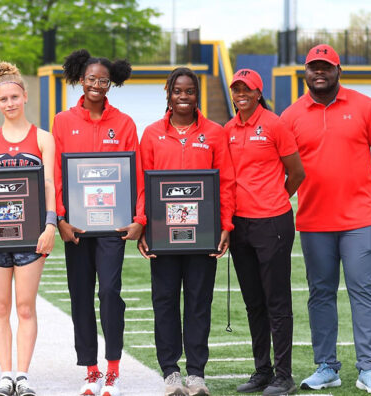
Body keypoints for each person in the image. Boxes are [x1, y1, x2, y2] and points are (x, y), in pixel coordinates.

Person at [280, 44, 371, 394]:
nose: (319, 72)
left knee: (363, 291)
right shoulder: (291, 115)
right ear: (305, 72)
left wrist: (364, 184)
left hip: (359, 219)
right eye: (313, 67)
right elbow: (282, 165)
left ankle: (369, 369)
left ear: (337, 70)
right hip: (314, 220)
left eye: (326, 67)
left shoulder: (364, 105)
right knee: (320, 294)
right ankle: (327, 366)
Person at [136, 67, 235, 396]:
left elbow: (226, 183)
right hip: (163, 235)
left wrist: (225, 225)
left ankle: (196, 372)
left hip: (202, 235)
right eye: (177, 90)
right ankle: (170, 373)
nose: (183, 96)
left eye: (189, 91)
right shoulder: (151, 134)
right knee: (164, 301)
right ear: (168, 93)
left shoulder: (215, 133)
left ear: (197, 95)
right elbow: (141, 184)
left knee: (198, 302)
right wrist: (143, 225)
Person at [52, 49, 145, 396]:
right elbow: (57, 174)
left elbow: (135, 175)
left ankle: (113, 369)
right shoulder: (63, 121)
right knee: (80, 295)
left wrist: (139, 218)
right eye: (90, 78)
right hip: (76, 228)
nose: (96, 85)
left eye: (102, 80)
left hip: (112, 227)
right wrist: (60, 218)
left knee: (109, 292)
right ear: (80, 78)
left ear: (111, 83)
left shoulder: (124, 124)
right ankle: (90, 370)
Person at [0, 61, 56, 396]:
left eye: (15, 97)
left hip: (32, 235)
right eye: (3, 99)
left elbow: (49, 186)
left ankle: (24, 375)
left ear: (25, 96)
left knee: (26, 307)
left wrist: (50, 226)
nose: (10, 103)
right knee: (0, 306)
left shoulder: (43, 138)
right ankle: (5, 375)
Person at [224, 69, 305, 396]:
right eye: (237, 89)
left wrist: (273, 200)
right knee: (253, 302)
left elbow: (296, 172)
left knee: (276, 301)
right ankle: (262, 371)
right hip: (240, 224)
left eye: (248, 89)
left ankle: (283, 376)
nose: (241, 93)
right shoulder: (228, 129)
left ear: (259, 93)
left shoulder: (275, 124)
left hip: (272, 221)